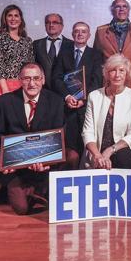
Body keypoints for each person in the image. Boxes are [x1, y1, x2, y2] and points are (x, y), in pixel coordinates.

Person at [0, 62, 65, 215]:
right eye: (27, 78)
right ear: (20, 80)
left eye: (36, 78)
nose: (32, 83)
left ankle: (36, 190)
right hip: (15, 168)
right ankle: (30, 192)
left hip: (42, 164)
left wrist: (46, 163)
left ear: (43, 79)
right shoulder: (5, 101)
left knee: (71, 156)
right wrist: (1, 161)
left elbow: (57, 138)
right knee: (22, 209)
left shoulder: (56, 101)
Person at [51, 21, 103, 169]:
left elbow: (97, 80)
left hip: (86, 106)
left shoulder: (96, 55)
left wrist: (83, 99)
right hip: (67, 107)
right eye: (77, 31)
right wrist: (67, 96)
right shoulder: (63, 53)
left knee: (86, 145)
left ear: (89, 35)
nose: (80, 34)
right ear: (72, 34)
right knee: (70, 149)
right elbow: (56, 78)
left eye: (84, 31)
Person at [82, 54, 131, 169]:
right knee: (99, 165)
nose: (117, 75)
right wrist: (97, 155)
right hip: (97, 150)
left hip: (122, 148)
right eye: (113, 70)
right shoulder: (94, 96)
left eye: (121, 70)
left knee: (123, 159)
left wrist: (110, 150)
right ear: (106, 74)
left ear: (127, 74)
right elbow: (87, 132)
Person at [93, 0, 131, 86]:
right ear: (112, 11)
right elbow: (96, 59)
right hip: (108, 82)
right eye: (118, 7)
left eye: (124, 6)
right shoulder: (100, 31)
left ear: (128, 10)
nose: (121, 9)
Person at [0, 4, 35, 98]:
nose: (13, 18)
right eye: (10, 15)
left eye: (16, 15)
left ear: (21, 19)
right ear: (5, 19)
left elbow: (30, 65)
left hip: (24, 87)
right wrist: (5, 89)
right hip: (4, 87)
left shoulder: (27, 41)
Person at [33, 13, 73, 89]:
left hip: (65, 92)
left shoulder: (72, 45)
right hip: (42, 90)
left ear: (61, 26)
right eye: (48, 22)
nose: (51, 25)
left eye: (55, 22)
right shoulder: (36, 44)